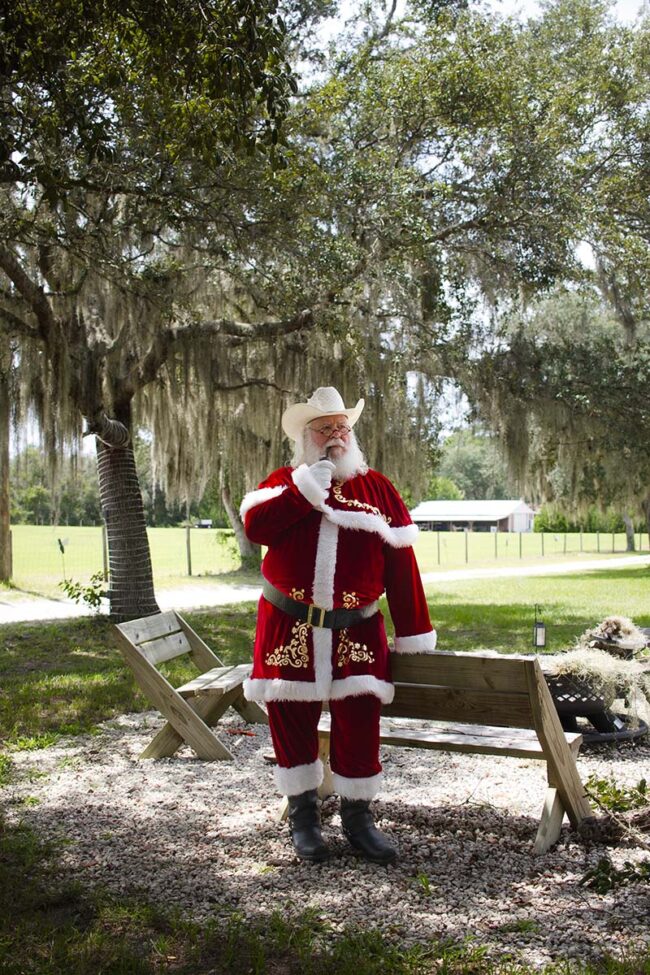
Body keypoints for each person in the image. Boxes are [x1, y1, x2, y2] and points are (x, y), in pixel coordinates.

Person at [240, 386, 436, 864]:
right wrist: (306, 490)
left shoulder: (378, 489)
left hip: (359, 628)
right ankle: (303, 818)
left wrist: (412, 630)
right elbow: (256, 529)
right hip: (289, 624)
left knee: (359, 719)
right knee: (291, 718)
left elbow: (402, 566)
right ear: (307, 437)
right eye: (324, 428)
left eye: (341, 427)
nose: (335, 435)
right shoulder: (283, 481)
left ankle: (358, 818)